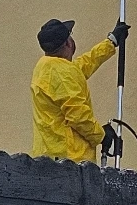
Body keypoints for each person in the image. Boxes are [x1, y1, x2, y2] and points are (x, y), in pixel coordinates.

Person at [30, 17, 131, 163]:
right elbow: (77, 116)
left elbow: (83, 65)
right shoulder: (63, 73)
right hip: (70, 160)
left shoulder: (45, 67)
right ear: (67, 43)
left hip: (49, 156)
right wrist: (101, 136)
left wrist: (111, 42)